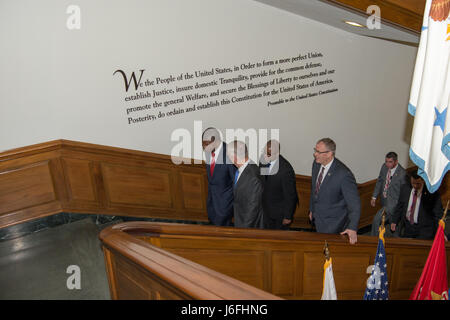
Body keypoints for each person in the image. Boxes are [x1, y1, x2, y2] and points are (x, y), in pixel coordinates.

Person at [308, 138, 361, 244]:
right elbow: (314, 189)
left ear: (329, 154)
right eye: (315, 150)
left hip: (334, 225)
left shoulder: (344, 174)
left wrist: (352, 228)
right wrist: (312, 209)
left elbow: (354, 205)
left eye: (318, 152)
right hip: (317, 219)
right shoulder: (316, 164)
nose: (315, 154)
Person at [259, 140, 299, 230]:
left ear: (277, 154)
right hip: (265, 210)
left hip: (279, 215)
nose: (265, 156)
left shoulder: (286, 170)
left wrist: (288, 216)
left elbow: (290, 195)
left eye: (269, 154)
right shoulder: (263, 160)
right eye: (265, 152)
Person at [390, 173, 443, 240]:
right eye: (413, 183)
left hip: (424, 229)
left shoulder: (432, 193)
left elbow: (437, 214)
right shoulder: (405, 188)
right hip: (408, 227)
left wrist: (441, 232)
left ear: (423, 181)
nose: (415, 186)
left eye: (418, 183)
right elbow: (400, 206)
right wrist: (394, 221)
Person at [202, 127, 237, 226]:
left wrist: (230, 206)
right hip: (212, 204)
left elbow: (236, 182)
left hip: (225, 206)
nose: (204, 147)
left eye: (205, 144)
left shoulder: (230, 153)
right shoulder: (209, 152)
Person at [226, 140, 264, 229]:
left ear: (234, 157)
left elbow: (253, 208)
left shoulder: (253, 177)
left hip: (248, 226)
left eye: (228, 156)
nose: (227, 158)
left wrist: (244, 230)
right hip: (240, 219)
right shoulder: (242, 169)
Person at [370, 152, 407, 237]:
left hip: (394, 205)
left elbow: (403, 193)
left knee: (378, 220)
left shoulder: (402, 174)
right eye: (386, 161)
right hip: (385, 201)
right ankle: (375, 241)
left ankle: (393, 244)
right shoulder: (384, 167)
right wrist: (374, 197)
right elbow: (380, 181)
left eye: (390, 162)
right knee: (390, 225)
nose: (387, 164)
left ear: (396, 162)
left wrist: (399, 207)